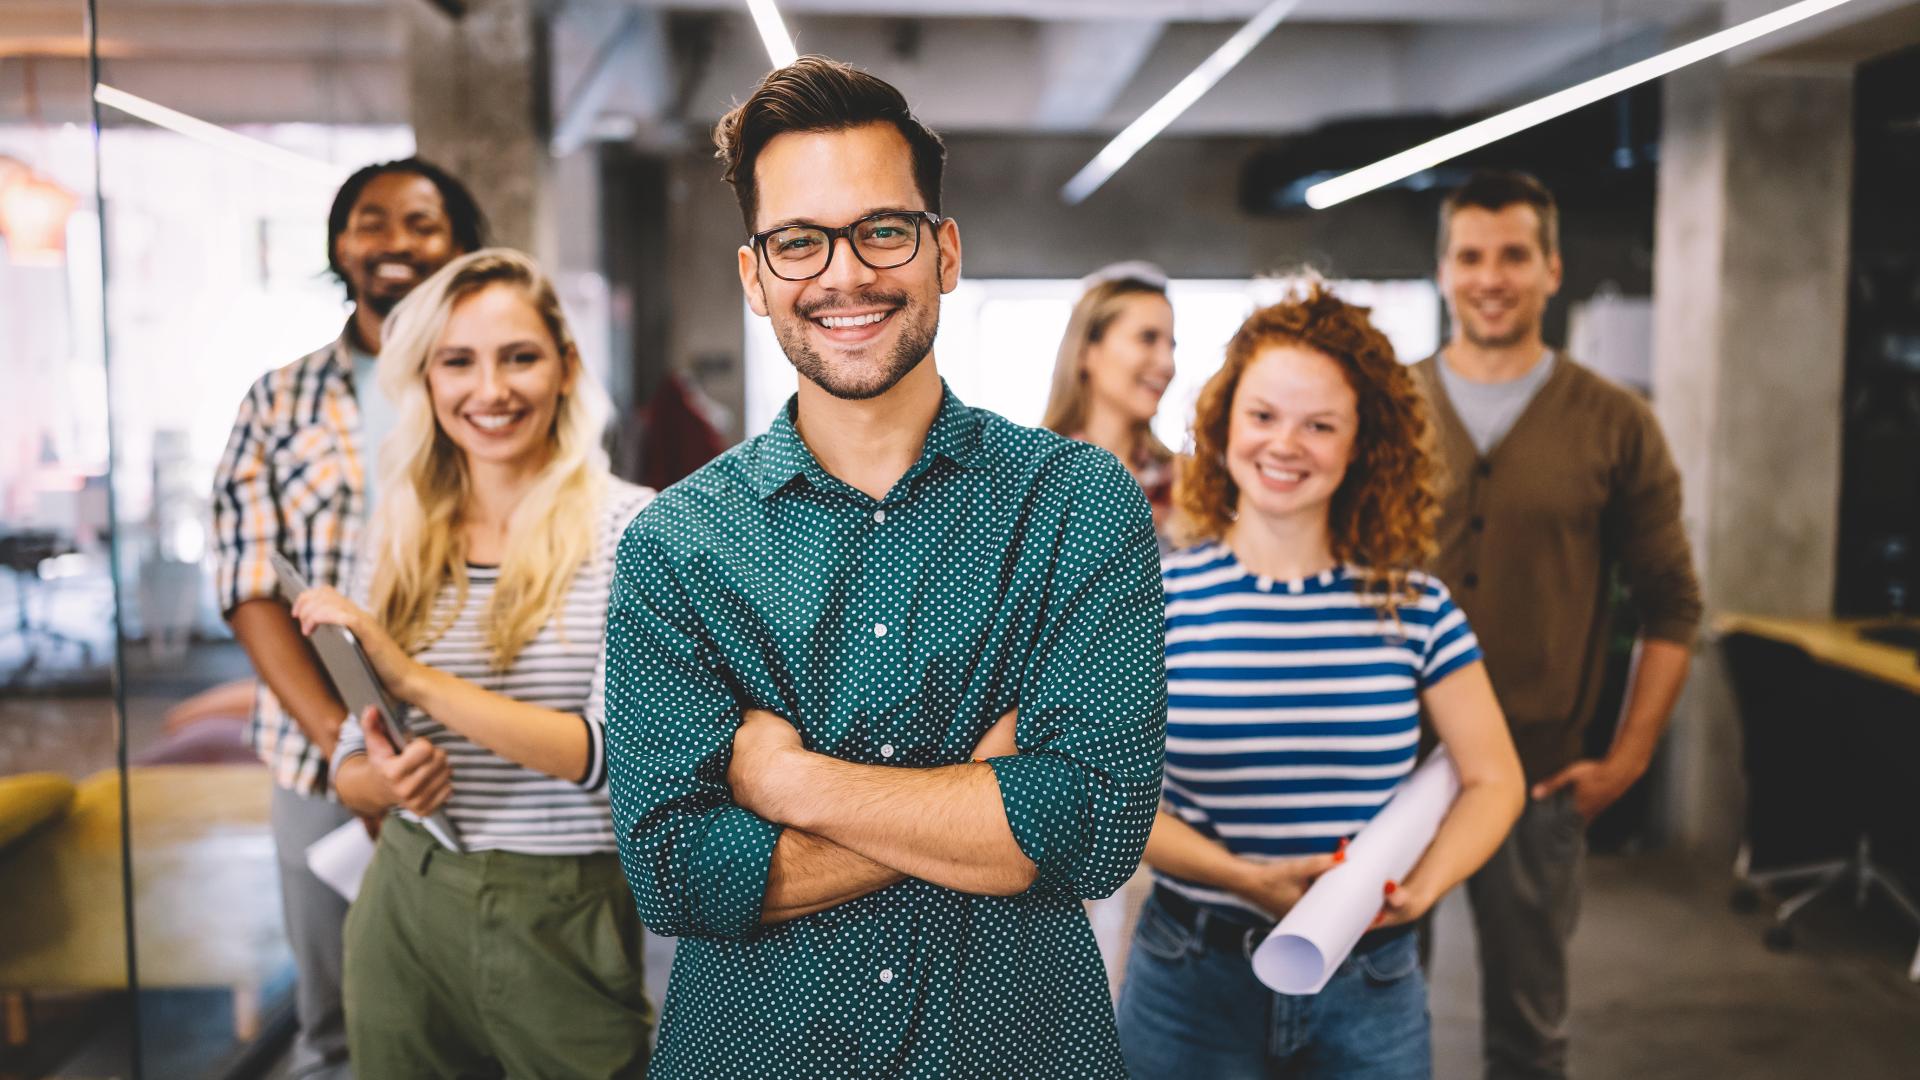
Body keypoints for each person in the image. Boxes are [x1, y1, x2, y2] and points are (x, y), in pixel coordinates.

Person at [601, 56, 1165, 1078]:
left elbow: (1094, 827)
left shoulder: (1078, 503)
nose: (845, 274)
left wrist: (789, 783)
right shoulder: (675, 545)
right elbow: (678, 874)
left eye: (882, 230)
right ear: (755, 276)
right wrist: (987, 798)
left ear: (944, 251)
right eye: (799, 242)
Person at [1116, 282, 1524, 1079]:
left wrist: (1421, 885)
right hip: (1191, 974)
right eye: (1264, 415)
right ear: (1225, 421)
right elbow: (1110, 798)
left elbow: (1494, 779)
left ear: (1362, 443)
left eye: (1320, 425)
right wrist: (1241, 877)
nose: (1285, 444)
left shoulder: (1414, 607)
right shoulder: (1154, 603)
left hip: (1368, 976)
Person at [289, 248, 655, 1077]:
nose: (489, 392)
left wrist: (415, 679)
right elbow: (350, 755)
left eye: (519, 357)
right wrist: (381, 783)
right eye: (458, 361)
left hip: (565, 904)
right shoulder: (397, 531)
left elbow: (606, 759)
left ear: (565, 368)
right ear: (424, 377)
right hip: (406, 896)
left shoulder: (634, 530)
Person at [1412, 170, 1702, 1079]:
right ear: (1444, 271)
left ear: (1552, 268)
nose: (1489, 277)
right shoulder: (1384, 407)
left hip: (1539, 774)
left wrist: (1630, 756)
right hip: (1385, 767)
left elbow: (1672, 602)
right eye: (1470, 256)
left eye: (1512, 256)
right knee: (1370, 1014)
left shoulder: (1617, 423)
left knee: (1529, 1027)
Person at [211, 157, 482, 1080]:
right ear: (339, 244)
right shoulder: (279, 400)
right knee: (339, 1025)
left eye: (421, 222)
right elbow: (250, 583)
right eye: (372, 222)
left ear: (459, 245)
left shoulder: (489, 386)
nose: (395, 243)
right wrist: (343, 748)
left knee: (484, 1006)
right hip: (317, 760)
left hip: (478, 748)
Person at [1042, 262, 1177, 532]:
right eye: (1147, 338)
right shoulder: (1041, 478)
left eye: (1171, 345)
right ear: (1085, 352)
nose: (1167, 364)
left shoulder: (1182, 483)